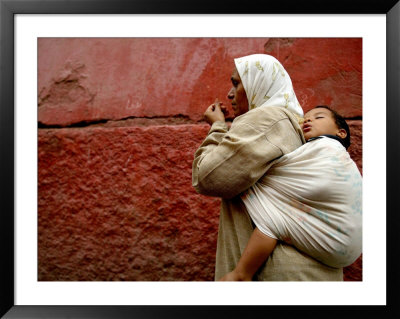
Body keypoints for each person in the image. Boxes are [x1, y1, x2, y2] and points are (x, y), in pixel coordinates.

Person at [192, 53, 343, 281]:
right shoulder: (295, 124)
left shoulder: (267, 120)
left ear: (258, 84)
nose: (229, 94)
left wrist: (218, 128)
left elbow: (206, 177)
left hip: (280, 273)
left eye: (236, 83)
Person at [219, 106, 362, 281]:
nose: (309, 120)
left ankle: (241, 274)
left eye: (319, 117)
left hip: (342, 239)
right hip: (344, 251)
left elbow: (276, 172)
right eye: (306, 118)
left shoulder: (328, 148)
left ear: (341, 133)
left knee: (273, 217)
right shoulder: (307, 151)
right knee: (278, 218)